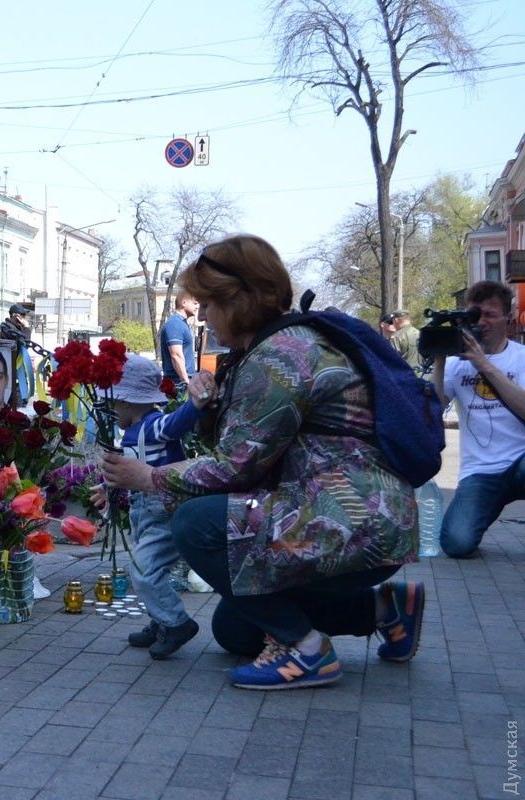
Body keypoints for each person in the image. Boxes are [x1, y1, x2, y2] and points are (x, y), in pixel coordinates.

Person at [101, 234, 422, 690]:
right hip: (354, 515)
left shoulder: (279, 358)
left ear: (239, 300)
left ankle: (307, 651)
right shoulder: (270, 348)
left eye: (210, 304)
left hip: (351, 518)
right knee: (235, 629)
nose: (205, 315)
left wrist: (150, 477)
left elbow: (233, 469)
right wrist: (208, 409)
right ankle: (386, 609)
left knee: (195, 524)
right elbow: (250, 447)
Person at [105, 355, 217, 660]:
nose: (113, 411)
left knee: (143, 568)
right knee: (153, 568)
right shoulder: (132, 431)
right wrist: (108, 488)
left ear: (128, 402)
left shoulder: (153, 425)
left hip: (163, 508)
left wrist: (194, 404)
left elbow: (177, 423)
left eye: (115, 404)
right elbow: (129, 469)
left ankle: (177, 622)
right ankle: (161, 621)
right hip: (144, 509)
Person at [431, 281, 525, 558]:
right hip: (481, 471)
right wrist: (439, 361)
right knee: (456, 543)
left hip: (521, 460)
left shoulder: (521, 358)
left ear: (507, 317)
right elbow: (435, 408)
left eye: (490, 315)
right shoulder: (455, 364)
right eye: (475, 314)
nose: (481, 322)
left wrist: (482, 363)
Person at [160, 290, 199, 388]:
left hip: (181, 381)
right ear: (184, 303)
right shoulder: (175, 324)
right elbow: (176, 355)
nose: (197, 306)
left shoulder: (182, 323)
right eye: (195, 303)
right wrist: (186, 382)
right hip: (177, 383)